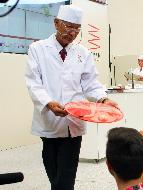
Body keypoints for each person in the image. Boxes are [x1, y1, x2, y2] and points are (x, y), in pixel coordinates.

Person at [25, 5, 117, 190]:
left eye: (77, 28)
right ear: (56, 23)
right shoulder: (38, 49)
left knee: (67, 172)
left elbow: (91, 83)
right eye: (68, 26)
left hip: (74, 121)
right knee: (52, 168)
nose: (72, 32)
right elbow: (34, 82)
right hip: (49, 119)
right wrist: (48, 103)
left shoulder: (83, 53)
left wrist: (103, 99)